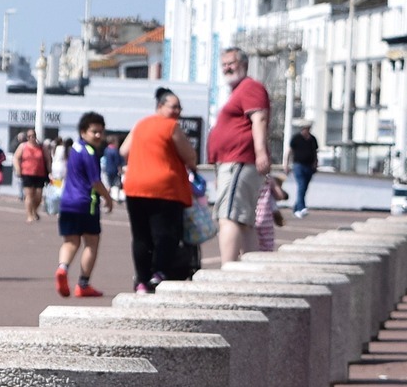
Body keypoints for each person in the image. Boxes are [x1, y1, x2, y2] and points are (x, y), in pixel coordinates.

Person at [120, 88, 198, 292]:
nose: (178, 111)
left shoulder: (140, 124)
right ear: (160, 107)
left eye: (179, 107)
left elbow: (123, 151)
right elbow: (190, 157)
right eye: (174, 106)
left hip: (135, 186)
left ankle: (141, 280)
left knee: (140, 236)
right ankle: (159, 272)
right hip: (164, 189)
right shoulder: (171, 126)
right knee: (166, 234)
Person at [207, 48, 272, 264]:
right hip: (233, 163)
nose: (227, 67)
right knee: (243, 221)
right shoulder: (239, 91)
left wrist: (260, 153)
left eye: (231, 63)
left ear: (243, 63)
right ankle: (249, 269)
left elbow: (259, 119)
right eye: (224, 64)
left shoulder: (250, 87)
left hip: (240, 160)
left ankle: (228, 269)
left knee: (229, 217)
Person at [54, 112, 114, 298]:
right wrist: (108, 198)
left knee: (70, 241)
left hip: (67, 203)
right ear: (83, 132)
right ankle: (83, 283)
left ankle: (62, 268)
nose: (98, 136)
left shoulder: (75, 149)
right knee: (92, 242)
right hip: (86, 204)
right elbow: (95, 181)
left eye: (100, 132)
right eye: (94, 131)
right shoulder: (89, 152)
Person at [15, 129, 50, 222]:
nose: (32, 138)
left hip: (40, 173)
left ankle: (34, 210)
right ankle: (29, 215)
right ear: (27, 137)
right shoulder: (23, 146)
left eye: (33, 136)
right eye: (29, 136)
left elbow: (48, 159)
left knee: (38, 196)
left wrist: (50, 171)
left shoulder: (42, 147)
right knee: (29, 195)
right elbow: (16, 158)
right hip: (27, 173)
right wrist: (18, 169)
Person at [287, 121, 319, 218]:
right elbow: (289, 151)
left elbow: (315, 152)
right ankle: (302, 207)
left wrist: (315, 163)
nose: (307, 130)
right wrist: (286, 164)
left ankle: (296, 208)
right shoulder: (296, 138)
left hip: (309, 166)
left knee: (304, 187)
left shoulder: (312, 139)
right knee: (301, 185)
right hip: (298, 165)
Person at [255, 172, 289, 251]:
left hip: (249, 216)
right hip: (264, 218)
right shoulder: (268, 179)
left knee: (249, 240)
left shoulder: (249, 176)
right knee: (266, 244)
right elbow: (280, 195)